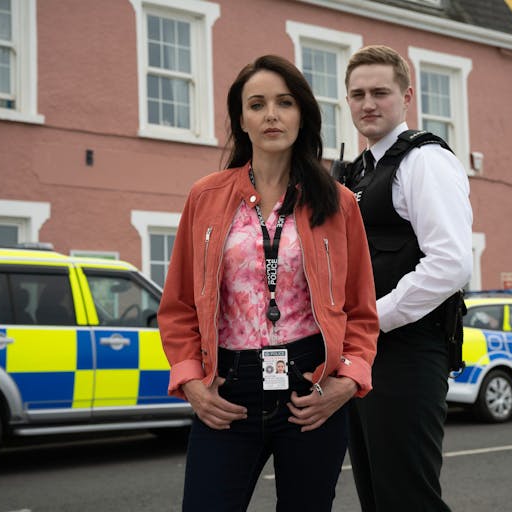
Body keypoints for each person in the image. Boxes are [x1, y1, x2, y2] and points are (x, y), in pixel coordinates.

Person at [157, 54, 379, 512]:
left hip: (311, 388)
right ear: (242, 119)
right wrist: (191, 383)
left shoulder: (339, 203)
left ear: (303, 115)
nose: (272, 114)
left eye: (284, 102)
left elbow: (360, 309)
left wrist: (346, 382)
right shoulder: (206, 197)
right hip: (227, 390)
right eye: (257, 104)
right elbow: (178, 305)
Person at [342, 45, 473, 511]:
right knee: (377, 496)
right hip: (365, 353)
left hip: (409, 351)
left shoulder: (425, 162)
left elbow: (451, 262)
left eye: (380, 91)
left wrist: (370, 319)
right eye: (357, 94)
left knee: (407, 499)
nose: (368, 103)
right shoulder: (357, 171)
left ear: (407, 96)